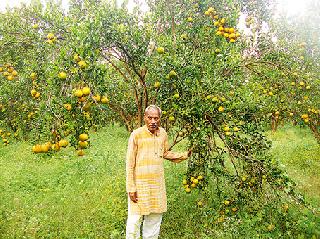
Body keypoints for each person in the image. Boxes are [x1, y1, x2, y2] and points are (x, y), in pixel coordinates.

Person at [126, 105, 192, 239]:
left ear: (160, 119)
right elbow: (130, 162)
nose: (153, 121)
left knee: (154, 220)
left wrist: (185, 155)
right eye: (150, 118)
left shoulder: (163, 134)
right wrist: (131, 188)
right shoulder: (136, 134)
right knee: (134, 221)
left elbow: (165, 153)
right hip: (140, 184)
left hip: (157, 184)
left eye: (156, 118)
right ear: (145, 118)